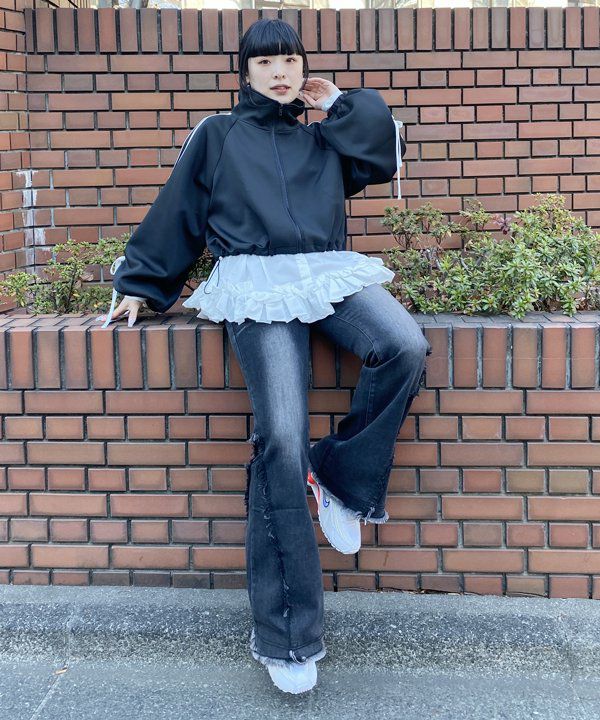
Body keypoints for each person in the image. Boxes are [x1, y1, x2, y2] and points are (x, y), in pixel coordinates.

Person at [97, 18, 431, 695]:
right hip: (253, 283)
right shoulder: (218, 135)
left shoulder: (323, 136)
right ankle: (288, 636)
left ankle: (340, 478)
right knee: (280, 435)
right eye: (265, 63)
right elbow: (178, 209)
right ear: (245, 73)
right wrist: (140, 284)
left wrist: (338, 103)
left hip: (326, 272)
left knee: (404, 345)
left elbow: (384, 155)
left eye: (290, 61)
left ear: (303, 68)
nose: (280, 73)